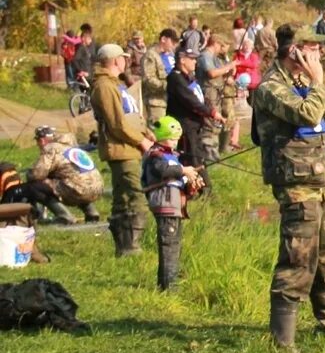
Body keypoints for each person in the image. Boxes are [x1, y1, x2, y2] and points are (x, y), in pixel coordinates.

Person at [252, 25, 325, 348]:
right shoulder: (270, 87)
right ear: (294, 52)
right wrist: (319, 81)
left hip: (318, 185)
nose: (319, 53)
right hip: (296, 187)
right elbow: (307, 114)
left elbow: (321, 125)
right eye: (313, 47)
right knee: (296, 259)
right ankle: (282, 346)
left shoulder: (300, 83)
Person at [89, 43, 151, 256]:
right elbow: (117, 123)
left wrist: (147, 133)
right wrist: (140, 141)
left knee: (123, 197)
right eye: (124, 58)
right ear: (116, 60)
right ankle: (130, 247)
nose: (127, 61)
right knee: (134, 196)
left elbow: (129, 115)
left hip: (129, 147)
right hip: (121, 149)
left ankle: (126, 247)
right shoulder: (105, 87)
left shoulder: (115, 84)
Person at [142, 116, 204, 290]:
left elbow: (175, 178)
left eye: (177, 139)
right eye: (171, 139)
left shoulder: (171, 156)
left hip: (174, 206)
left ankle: (166, 283)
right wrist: (184, 170)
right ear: (161, 137)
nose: (175, 143)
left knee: (174, 244)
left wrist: (190, 182)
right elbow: (163, 171)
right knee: (169, 245)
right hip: (165, 205)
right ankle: (169, 286)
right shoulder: (156, 155)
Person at [29, 125, 103, 224]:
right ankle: (91, 212)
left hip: (77, 189)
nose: (38, 144)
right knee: (76, 181)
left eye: (37, 141)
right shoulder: (72, 147)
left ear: (42, 140)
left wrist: (29, 173)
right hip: (97, 188)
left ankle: (64, 216)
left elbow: (36, 175)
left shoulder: (51, 148)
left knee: (36, 186)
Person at [166, 47, 221, 170]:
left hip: (194, 125)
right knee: (192, 160)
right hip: (185, 126)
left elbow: (198, 96)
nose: (195, 62)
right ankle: (201, 187)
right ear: (182, 60)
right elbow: (191, 101)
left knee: (198, 157)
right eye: (192, 59)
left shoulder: (188, 77)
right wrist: (212, 113)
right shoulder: (176, 78)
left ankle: (203, 186)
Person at [197, 34, 236, 160]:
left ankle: (214, 153)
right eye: (221, 45)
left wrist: (229, 68)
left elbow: (221, 72)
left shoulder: (214, 58)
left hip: (216, 93)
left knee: (216, 124)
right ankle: (209, 155)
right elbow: (212, 73)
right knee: (210, 123)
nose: (221, 49)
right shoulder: (205, 56)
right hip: (208, 93)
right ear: (215, 44)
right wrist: (228, 67)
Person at [142, 28, 179, 124]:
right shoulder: (151, 55)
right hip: (155, 103)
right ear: (163, 39)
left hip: (167, 101)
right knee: (157, 132)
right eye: (172, 41)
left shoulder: (169, 56)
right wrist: (167, 86)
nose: (174, 45)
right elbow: (148, 79)